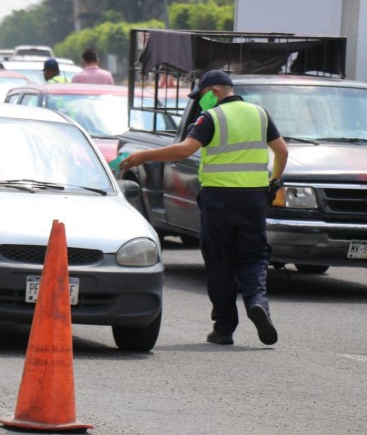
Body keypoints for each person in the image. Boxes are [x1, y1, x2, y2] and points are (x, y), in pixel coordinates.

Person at [120, 70, 288, 346]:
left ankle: (223, 329)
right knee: (254, 256)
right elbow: (282, 152)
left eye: (201, 96)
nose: (200, 102)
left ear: (216, 91)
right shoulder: (260, 114)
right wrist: (274, 182)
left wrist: (144, 156)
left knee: (220, 261)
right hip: (253, 200)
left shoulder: (211, 117)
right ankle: (257, 303)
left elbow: (185, 150)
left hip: (219, 201)